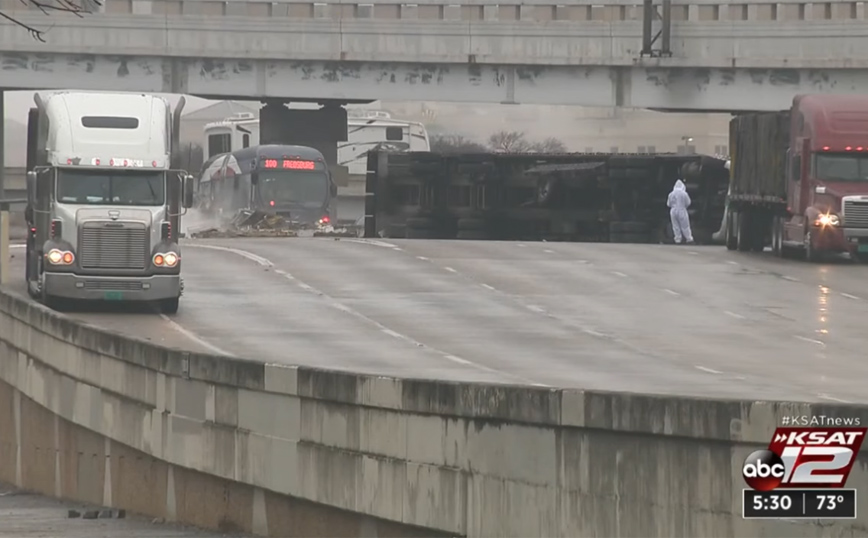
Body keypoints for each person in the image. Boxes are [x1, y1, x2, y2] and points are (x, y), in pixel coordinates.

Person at [667, 179, 694, 244]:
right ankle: (689, 238)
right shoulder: (684, 194)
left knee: (675, 226)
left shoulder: (671, 194)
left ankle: (678, 239)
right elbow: (688, 202)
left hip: (673, 211)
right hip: (682, 210)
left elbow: (668, 204)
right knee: (685, 225)